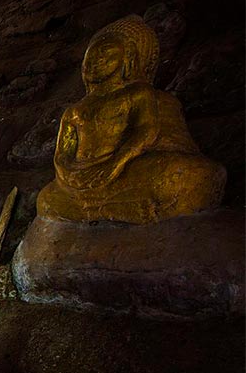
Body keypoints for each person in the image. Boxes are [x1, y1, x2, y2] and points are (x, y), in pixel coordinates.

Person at [37, 15, 225, 224]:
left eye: (106, 52)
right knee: (46, 199)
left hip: (127, 168)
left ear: (129, 58)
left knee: (187, 175)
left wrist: (116, 164)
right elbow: (62, 154)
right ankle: (117, 210)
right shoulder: (74, 110)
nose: (96, 60)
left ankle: (98, 210)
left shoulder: (141, 94)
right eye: (91, 56)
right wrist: (67, 174)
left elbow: (146, 132)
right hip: (81, 177)